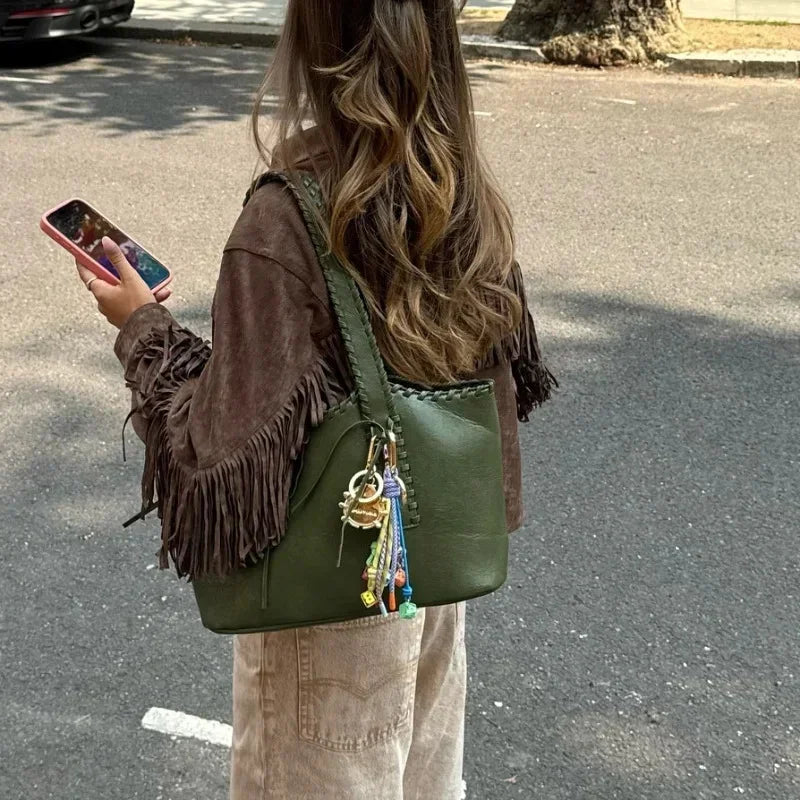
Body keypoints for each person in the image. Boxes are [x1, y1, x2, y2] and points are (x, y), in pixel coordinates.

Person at [75, 0, 555, 797]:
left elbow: (220, 449)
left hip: (324, 603)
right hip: (423, 577)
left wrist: (141, 329)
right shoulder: (458, 185)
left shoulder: (288, 214)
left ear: (316, 38)